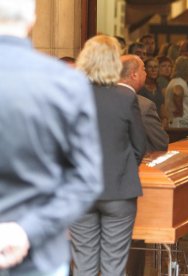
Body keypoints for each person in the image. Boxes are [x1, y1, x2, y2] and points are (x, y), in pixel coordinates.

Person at [0, 0, 103, 274]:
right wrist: (27, 230)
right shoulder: (66, 82)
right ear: (33, 19)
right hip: (41, 251)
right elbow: (86, 178)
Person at [70, 35, 147, 276]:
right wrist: (124, 169)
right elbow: (139, 145)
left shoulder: (71, 95)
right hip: (119, 190)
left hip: (81, 189)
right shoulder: (126, 97)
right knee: (114, 266)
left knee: (83, 265)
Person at [119, 54, 169, 152]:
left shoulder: (101, 99)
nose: (145, 73)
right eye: (143, 69)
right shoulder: (144, 106)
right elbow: (161, 143)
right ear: (134, 75)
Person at [165, 56, 188, 128]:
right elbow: (177, 92)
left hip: (178, 123)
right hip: (181, 124)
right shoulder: (179, 82)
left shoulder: (174, 81)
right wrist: (180, 110)